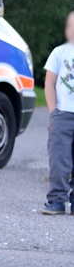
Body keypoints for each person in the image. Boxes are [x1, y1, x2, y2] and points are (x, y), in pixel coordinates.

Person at [42, 11, 74, 214]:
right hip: (63, 114)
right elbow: (49, 83)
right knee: (59, 159)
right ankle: (57, 200)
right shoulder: (59, 53)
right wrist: (53, 112)